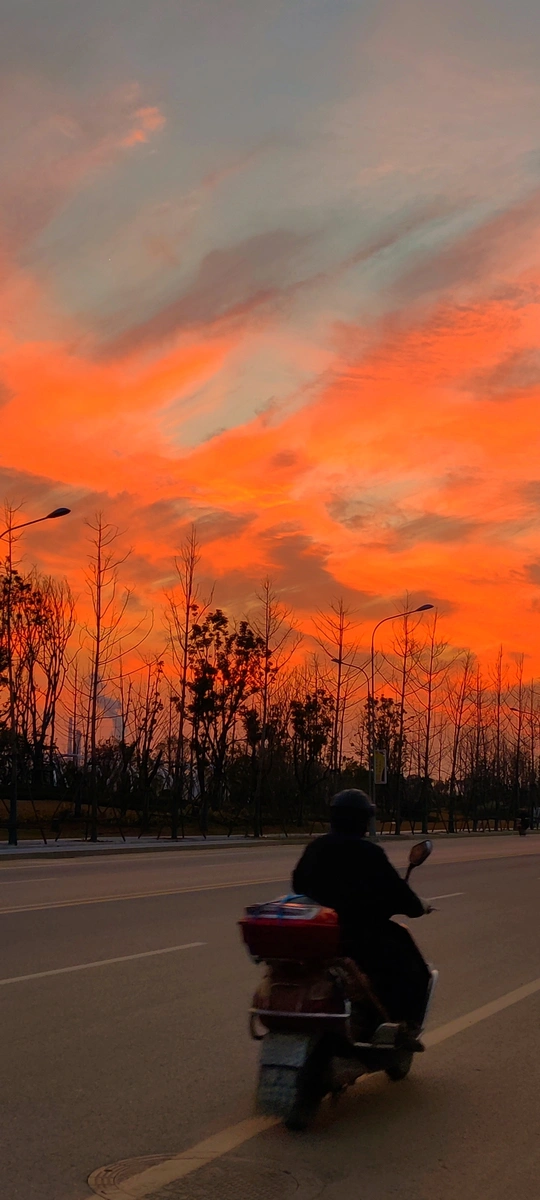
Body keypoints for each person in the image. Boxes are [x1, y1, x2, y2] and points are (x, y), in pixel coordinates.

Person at [292, 789, 431, 1034]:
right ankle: (405, 1026)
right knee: (414, 969)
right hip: (361, 936)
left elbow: (298, 884)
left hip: (321, 935)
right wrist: (417, 906)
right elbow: (399, 894)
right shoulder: (369, 853)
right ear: (362, 820)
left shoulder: (316, 848)